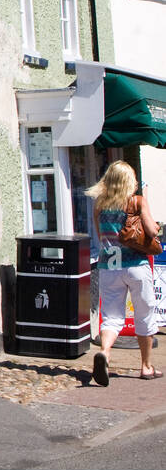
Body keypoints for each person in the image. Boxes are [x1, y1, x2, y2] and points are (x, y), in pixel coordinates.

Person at [85, 160, 161, 384]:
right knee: (144, 315)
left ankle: (105, 353)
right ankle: (146, 367)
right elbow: (150, 230)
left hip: (109, 267)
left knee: (111, 316)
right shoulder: (136, 201)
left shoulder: (99, 203)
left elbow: (100, 236)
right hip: (135, 265)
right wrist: (155, 226)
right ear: (130, 181)